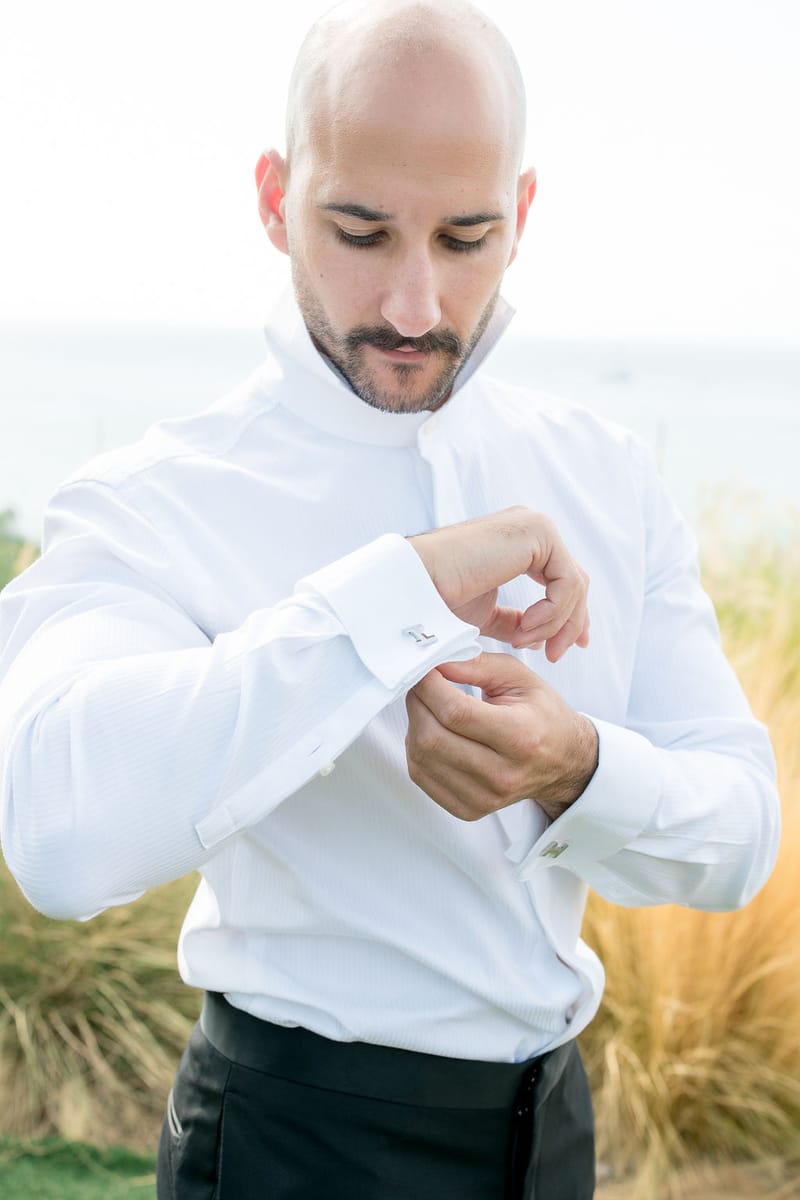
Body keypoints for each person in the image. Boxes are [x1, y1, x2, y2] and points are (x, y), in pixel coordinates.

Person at [0, 1, 780, 1197]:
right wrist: (397, 593)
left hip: (552, 1139)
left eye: (464, 238)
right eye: (359, 232)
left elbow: (736, 839)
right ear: (274, 200)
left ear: (520, 216)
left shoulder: (607, 477)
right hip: (290, 1147)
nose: (413, 306)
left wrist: (575, 767)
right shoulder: (153, 499)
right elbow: (58, 830)